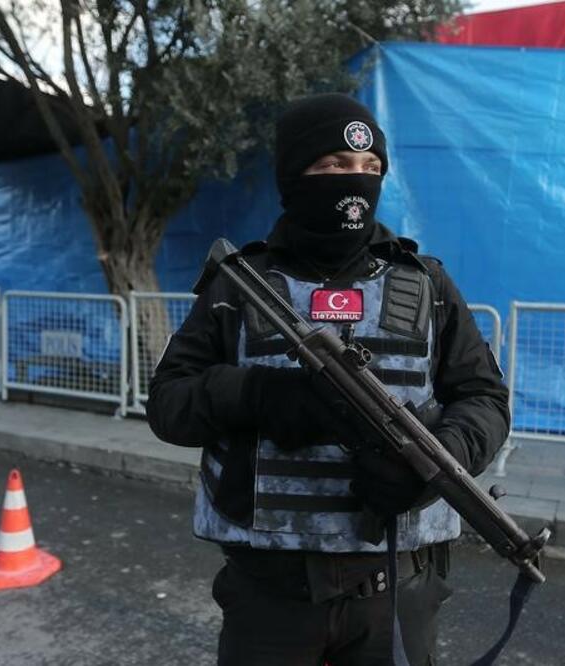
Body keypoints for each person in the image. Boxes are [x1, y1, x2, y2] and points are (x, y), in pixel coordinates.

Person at [146, 94, 510, 666]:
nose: (357, 181)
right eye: (336, 165)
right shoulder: (239, 287)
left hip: (397, 590)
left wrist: (434, 465)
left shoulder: (428, 285)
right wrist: (260, 395)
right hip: (271, 594)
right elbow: (168, 404)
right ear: (295, 174)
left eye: (371, 169)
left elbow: (484, 397)